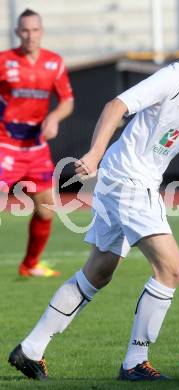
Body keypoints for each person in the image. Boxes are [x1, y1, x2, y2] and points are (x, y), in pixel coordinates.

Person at [8, 15, 179, 380]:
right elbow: (115, 107)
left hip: (130, 180)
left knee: (98, 271)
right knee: (171, 268)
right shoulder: (173, 78)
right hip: (126, 179)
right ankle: (135, 361)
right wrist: (94, 153)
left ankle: (30, 348)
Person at [0, 9, 74, 277]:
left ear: (41, 31)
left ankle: (30, 265)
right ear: (17, 32)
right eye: (25, 30)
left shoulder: (54, 63)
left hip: (36, 148)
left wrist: (54, 116)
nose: (30, 35)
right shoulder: (4, 61)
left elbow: (67, 101)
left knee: (47, 208)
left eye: (35, 30)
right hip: (5, 145)